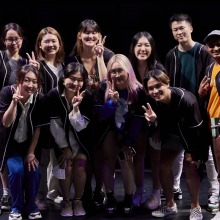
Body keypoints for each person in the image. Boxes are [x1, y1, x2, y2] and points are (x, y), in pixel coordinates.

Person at [165, 13, 219, 211]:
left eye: (182, 28)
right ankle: (175, 187)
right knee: (179, 152)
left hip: (203, 111)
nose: (179, 32)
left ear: (191, 28)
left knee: (211, 155)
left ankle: (215, 191)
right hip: (180, 112)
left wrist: (202, 97)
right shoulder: (171, 55)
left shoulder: (203, 52)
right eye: (175, 29)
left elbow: (211, 82)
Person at [142, 69, 210, 219]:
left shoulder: (186, 100)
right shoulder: (152, 101)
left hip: (192, 134)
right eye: (151, 88)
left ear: (167, 83)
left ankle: (195, 207)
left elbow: (197, 131)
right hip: (173, 134)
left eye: (158, 86)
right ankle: (170, 206)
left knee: (190, 165)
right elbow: (162, 124)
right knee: (163, 167)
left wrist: (195, 154)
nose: (154, 91)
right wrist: (154, 122)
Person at [128, 31, 181, 210]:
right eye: (139, 45)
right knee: (138, 154)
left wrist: (158, 126)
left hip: (156, 118)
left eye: (147, 45)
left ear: (152, 48)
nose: (143, 49)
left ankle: (157, 192)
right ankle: (140, 190)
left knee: (156, 156)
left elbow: (165, 100)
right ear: (133, 48)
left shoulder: (158, 68)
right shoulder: (129, 67)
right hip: (136, 118)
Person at [66, 19, 114, 210]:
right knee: (85, 154)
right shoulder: (73, 58)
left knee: (100, 155)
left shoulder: (108, 54)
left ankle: (98, 191)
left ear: (99, 36)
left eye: (94, 33)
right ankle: (85, 190)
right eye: (86, 32)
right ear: (79, 35)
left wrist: (100, 57)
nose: (90, 36)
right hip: (82, 112)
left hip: (103, 111)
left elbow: (106, 81)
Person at [94, 54, 147, 215]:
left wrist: (127, 141)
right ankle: (109, 195)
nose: (116, 75)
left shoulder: (137, 90)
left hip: (129, 130)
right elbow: (101, 115)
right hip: (109, 129)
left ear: (128, 71)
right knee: (108, 159)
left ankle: (128, 197)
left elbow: (138, 120)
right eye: (112, 71)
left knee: (126, 159)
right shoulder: (104, 87)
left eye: (120, 71)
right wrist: (112, 102)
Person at [0, 64, 48, 220]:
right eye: (27, 80)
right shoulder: (7, 92)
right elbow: (6, 123)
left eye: (34, 82)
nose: (31, 85)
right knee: (17, 171)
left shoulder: (40, 98)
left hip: (29, 145)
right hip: (10, 146)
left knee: (33, 171)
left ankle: (31, 206)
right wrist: (14, 103)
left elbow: (38, 129)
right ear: (19, 80)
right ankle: (16, 207)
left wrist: (31, 153)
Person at [47, 62, 95, 217]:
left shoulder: (87, 97)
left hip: (81, 142)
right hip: (61, 142)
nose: (75, 83)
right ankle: (66, 201)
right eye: (71, 78)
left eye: (79, 80)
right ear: (63, 78)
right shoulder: (53, 95)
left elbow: (81, 127)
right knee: (66, 165)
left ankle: (78, 200)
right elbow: (55, 126)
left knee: (80, 166)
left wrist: (75, 109)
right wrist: (65, 147)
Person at [27, 27, 65, 210]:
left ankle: (53, 192)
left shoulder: (63, 65)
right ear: (40, 45)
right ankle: (39, 196)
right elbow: (33, 93)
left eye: (53, 41)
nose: (50, 45)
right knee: (43, 160)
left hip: (61, 121)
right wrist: (34, 73)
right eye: (46, 41)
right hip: (43, 120)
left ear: (59, 43)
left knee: (59, 159)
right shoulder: (37, 66)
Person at [0, 22, 28, 213]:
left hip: (22, 112)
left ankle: (21, 192)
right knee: (3, 152)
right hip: (2, 109)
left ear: (21, 40)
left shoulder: (26, 62)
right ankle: (5, 192)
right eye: (9, 39)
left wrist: (37, 70)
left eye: (16, 38)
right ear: (4, 40)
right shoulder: (0, 57)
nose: (13, 42)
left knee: (16, 153)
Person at [198, 30, 220, 220]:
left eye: (219, 44)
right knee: (218, 163)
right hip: (214, 121)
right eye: (211, 45)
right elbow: (209, 97)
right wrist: (201, 94)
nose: (216, 48)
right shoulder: (210, 68)